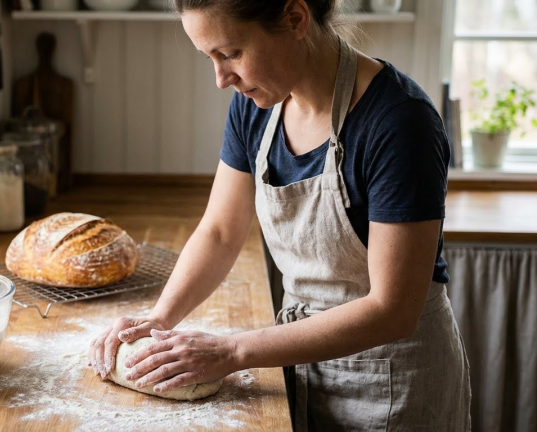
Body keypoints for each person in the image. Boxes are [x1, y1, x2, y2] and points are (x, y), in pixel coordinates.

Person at [88, 0, 471, 429]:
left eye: (231, 53)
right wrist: (160, 317)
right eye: (210, 57)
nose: (221, 79)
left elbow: (393, 309)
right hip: (296, 362)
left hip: (393, 384)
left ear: (294, 18)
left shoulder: (399, 122)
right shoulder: (255, 105)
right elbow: (219, 232)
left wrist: (231, 352)